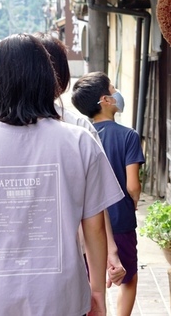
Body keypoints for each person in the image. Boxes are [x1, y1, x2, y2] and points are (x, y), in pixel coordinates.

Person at [0, 34, 124, 316]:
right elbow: (94, 226)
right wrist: (97, 292)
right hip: (63, 298)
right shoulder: (80, 141)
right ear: (46, 78)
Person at [36, 33, 126, 288]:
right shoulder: (79, 129)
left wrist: (110, 251)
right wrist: (110, 252)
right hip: (70, 256)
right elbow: (96, 203)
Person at [71, 72, 145, 316]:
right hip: (121, 219)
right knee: (128, 277)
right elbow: (132, 185)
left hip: (88, 221)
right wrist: (133, 202)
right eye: (113, 90)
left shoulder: (80, 137)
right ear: (105, 100)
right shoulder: (128, 136)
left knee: (92, 280)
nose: (117, 94)